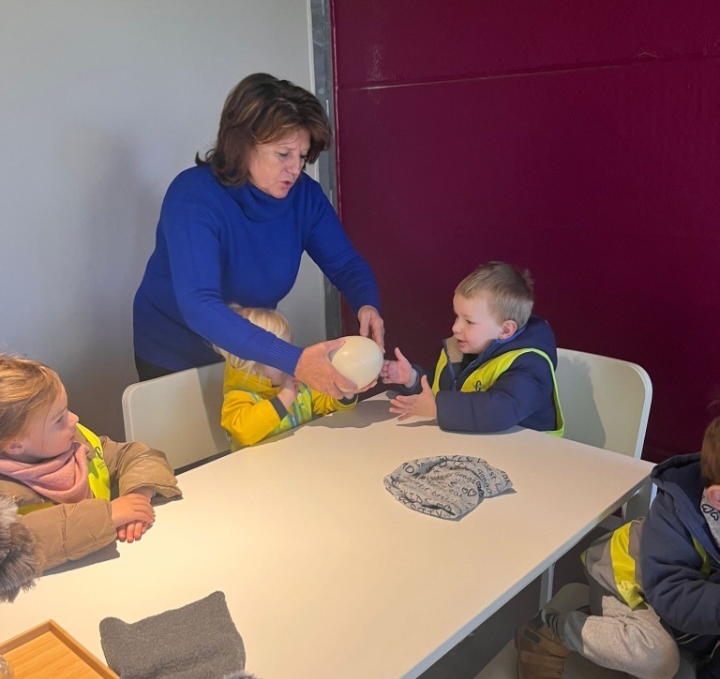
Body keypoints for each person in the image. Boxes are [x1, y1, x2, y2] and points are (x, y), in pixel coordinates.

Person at [133, 72, 383, 399]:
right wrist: (294, 360)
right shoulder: (193, 196)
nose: (296, 169)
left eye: (302, 156)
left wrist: (367, 304)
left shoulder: (304, 196)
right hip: (175, 353)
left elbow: (346, 265)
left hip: (252, 354)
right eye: (283, 154)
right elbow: (199, 304)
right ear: (243, 145)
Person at [516, 416, 720, 679]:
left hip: (687, 632)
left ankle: (619, 636)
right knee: (660, 657)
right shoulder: (675, 511)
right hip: (622, 584)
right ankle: (551, 631)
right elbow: (673, 596)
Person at [0, 354, 181, 571]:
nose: (74, 419)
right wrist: (108, 515)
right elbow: (13, 546)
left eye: (66, 410)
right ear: (15, 444)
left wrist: (138, 495)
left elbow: (135, 455)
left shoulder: (79, 442)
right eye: (59, 419)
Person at [380, 261, 563, 433]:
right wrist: (412, 379)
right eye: (457, 316)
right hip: (473, 447)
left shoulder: (530, 366)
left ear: (506, 330)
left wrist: (438, 408)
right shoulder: (460, 349)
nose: (455, 328)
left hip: (528, 452)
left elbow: (499, 411)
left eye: (469, 321)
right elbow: (436, 393)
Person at [216, 307, 358, 449]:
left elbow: (325, 403)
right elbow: (243, 433)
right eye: (278, 356)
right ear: (252, 365)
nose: (287, 360)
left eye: (288, 351)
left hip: (299, 456)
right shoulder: (239, 396)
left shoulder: (296, 383)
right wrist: (284, 398)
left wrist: (344, 395)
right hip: (261, 463)